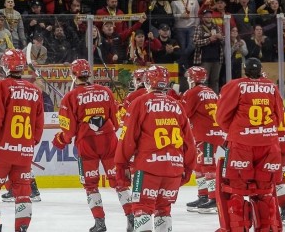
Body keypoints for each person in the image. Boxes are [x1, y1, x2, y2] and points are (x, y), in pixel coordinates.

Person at [52, 59, 132, 232]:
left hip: (87, 143)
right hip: (109, 140)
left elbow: (68, 131)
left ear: (74, 75)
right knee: (120, 182)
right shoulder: (105, 91)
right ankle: (131, 218)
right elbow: (116, 123)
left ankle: (100, 223)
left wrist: (59, 141)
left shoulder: (70, 97)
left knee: (90, 184)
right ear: (89, 73)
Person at [116, 65, 196, 232]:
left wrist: (120, 165)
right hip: (174, 169)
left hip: (148, 169)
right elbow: (189, 142)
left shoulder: (140, 102)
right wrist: (187, 168)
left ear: (147, 82)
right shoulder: (177, 105)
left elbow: (127, 139)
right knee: (164, 210)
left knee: (142, 209)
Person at [0, 49, 45, 232]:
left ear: (6, 65)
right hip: (24, 153)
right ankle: (21, 229)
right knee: (23, 194)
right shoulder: (35, 90)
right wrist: (27, 144)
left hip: (2, 153)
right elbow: (38, 126)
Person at [214, 58, 285, 231]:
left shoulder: (236, 85)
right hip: (269, 146)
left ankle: (239, 228)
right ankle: (268, 228)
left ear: (244, 70)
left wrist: (236, 131)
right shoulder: (271, 87)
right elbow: (279, 116)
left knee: (236, 192)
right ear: (261, 70)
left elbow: (221, 116)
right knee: (265, 192)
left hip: (242, 145)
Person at [181, 66, 224, 213]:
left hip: (205, 135)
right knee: (199, 165)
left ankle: (213, 198)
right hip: (212, 133)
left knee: (207, 165)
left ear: (192, 79)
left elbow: (184, 113)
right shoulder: (211, 91)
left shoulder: (192, 92)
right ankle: (204, 195)